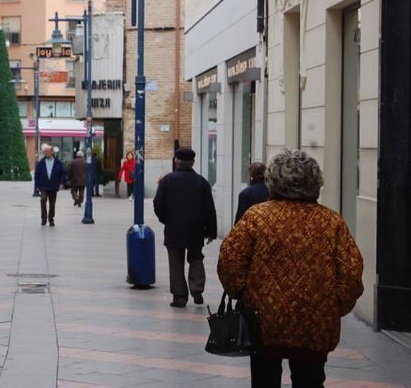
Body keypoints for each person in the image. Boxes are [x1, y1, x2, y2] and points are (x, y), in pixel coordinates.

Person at [218, 149, 364, 388]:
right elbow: (351, 272)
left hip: (263, 320)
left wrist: (242, 294)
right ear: (315, 182)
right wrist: (334, 306)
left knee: (265, 380)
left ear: (272, 181)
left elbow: (230, 261)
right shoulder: (331, 221)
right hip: (314, 321)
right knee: (310, 380)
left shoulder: (257, 217)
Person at [153, 147, 217, 307]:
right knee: (196, 258)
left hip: (174, 228)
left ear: (176, 160)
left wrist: (165, 220)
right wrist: (211, 231)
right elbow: (209, 208)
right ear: (193, 162)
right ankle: (197, 290)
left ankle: (180, 296)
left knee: (175, 262)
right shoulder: (202, 182)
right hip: (195, 229)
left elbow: (158, 204)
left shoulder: (167, 180)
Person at [34, 145, 67, 226]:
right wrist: (37, 185)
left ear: (51, 152)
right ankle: (44, 218)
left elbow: (63, 173)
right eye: (45, 151)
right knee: (43, 200)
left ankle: (51, 219)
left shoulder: (58, 162)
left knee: (52, 204)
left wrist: (62, 183)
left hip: (53, 186)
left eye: (47, 151)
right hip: (44, 186)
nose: (45, 153)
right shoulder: (41, 163)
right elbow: (36, 174)